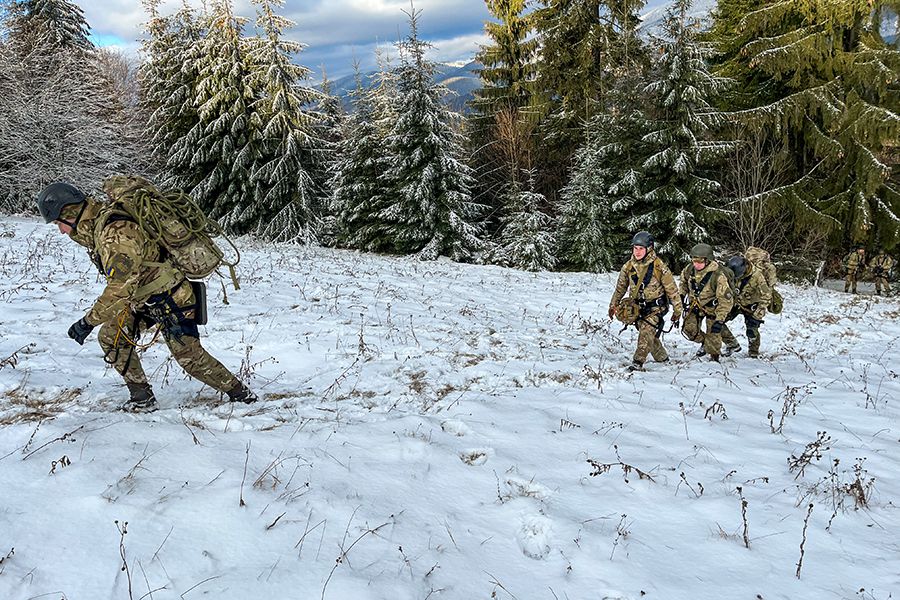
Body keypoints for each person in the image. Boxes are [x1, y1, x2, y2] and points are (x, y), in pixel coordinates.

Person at [36, 180, 257, 412]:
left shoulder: (116, 234)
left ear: (70, 213)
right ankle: (142, 398)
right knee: (112, 337)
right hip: (143, 299)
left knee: (190, 358)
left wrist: (87, 322)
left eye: (59, 224)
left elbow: (119, 289)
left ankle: (241, 394)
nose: (61, 231)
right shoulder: (100, 227)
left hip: (171, 298)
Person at [608, 231, 683, 372]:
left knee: (646, 332)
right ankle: (662, 358)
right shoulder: (628, 267)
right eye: (635, 248)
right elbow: (620, 289)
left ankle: (637, 362)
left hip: (656, 307)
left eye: (641, 248)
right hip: (637, 308)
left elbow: (672, 290)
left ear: (649, 248)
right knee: (650, 335)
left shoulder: (659, 267)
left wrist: (677, 311)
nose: (637, 252)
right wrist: (613, 305)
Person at [679, 243, 734, 362]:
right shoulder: (689, 270)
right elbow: (683, 282)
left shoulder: (718, 275)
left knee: (714, 334)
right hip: (695, 306)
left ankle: (714, 358)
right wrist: (682, 295)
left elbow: (725, 300)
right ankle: (704, 343)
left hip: (712, 309)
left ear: (708, 260)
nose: (696, 264)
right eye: (694, 261)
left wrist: (720, 320)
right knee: (689, 330)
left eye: (700, 262)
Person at [720, 255, 771, 358]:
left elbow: (767, 295)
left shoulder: (757, 276)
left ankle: (753, 352)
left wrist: (758, 313)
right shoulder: (731, 272)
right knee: (717, 321)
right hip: (736, 303)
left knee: (752, 330)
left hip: (752, 305)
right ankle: (732, 344)